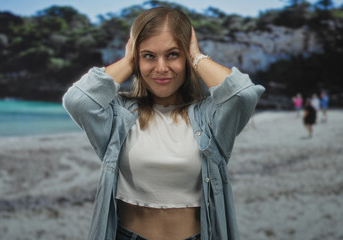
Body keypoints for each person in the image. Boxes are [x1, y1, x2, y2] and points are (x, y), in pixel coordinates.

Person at [62, 7, 265, 240]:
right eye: (148, 55)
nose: (161, 68)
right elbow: (77, 101)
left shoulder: (210, 117)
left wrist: (197, 57)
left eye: (172, 54)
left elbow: (243, 95)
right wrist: (129, 60)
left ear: (186, 58)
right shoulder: (118, 115)